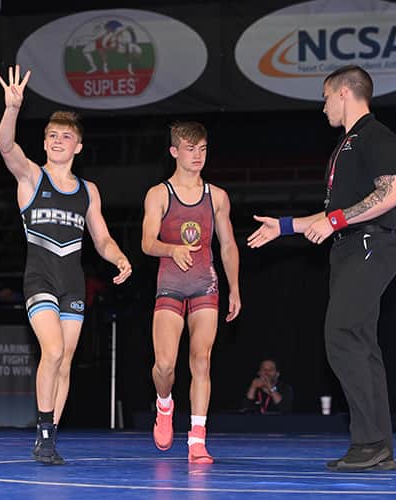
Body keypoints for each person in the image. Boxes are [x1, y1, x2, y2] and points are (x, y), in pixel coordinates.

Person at [247, 65, 396, 472]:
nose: (323, 107)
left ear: (344, 93)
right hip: (351, 249)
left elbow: (391, 194)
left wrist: (335, 221)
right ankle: (378, 447)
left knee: (342, 335)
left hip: (369, 245)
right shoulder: (346, 144)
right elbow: (335, 213)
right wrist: (284, 227)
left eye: (325, 97)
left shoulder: (375, 135)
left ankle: (369, 442)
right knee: (361, 345)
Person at [0, 65, 132, 465]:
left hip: (72, 282)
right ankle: (43, 431)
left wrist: (119, 257)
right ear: (44, 142)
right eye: (52, 135)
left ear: (78, 147)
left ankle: (49, 438)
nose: (58, 140)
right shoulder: (31, 177)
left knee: (66, 360)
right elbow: (6, 146)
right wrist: (12, 109)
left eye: (66, 136)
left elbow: (101, 239)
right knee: (52, 351)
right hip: (39, 277)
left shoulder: (89, 191)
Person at [142, 121, 241, 464]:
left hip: (205, 285)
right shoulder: (159, 194)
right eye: (190, 149)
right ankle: (164, 404)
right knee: (165, 366)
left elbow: (227, 245)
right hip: (170, 286)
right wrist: (171, 250)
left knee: (201, 359)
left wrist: (235, 288)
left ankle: (197, 440)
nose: (197, 156)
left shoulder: (217, 197)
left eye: (202, 149)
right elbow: (147, 243)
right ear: (174, 152)